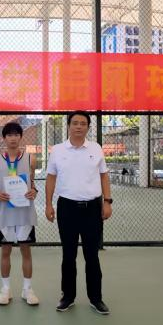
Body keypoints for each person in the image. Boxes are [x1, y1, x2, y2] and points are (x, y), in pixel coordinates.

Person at [45, 111, 113, 314]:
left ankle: (96, 298)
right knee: (69, 255)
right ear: (68, 126)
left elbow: (104, 176)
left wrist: (107, 202)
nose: (79, 126)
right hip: (67, 209)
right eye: (75, 123)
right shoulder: (57, 150)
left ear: (88, 127)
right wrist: (48, 204)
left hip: (92, 209)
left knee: (92, 255)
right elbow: (51, 178)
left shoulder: (96, 148)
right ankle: (67, 297)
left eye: (83, 123)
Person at [0, 122, 39, 306]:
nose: (13, 138)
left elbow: (32, 184)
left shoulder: (30, 159)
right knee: (6, 250)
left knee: (26, 250)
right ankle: (5, 289)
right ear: (4, 138)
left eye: (16, 135)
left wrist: (34, 191)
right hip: (6, 213)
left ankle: (28, 289)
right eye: (9, 135)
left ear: (20, 137)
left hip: (25, 212)